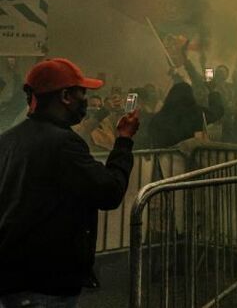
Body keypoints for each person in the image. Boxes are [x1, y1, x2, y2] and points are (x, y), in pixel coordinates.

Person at [0, 58, 139, 306]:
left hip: (12, 277)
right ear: (65, 96)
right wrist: (124, 140)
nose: (85, 101)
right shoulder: (63, 144)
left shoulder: (8, 140)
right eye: (82, 93)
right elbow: (109, 191)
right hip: (44, 283)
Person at [149, 81, 225, 148]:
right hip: (191, 160)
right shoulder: (196, 113)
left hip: (164, 161)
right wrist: (213, 92)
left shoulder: (158, 118)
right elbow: (216, 112)